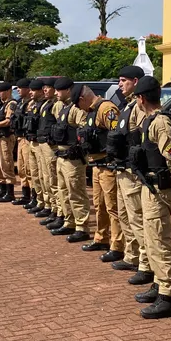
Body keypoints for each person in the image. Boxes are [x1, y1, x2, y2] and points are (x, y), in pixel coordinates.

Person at [130, 76, 171, 318]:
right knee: (150, 238)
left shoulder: (161, 123)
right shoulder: (150, 120)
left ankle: (167, 296)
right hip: (150, 186)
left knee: (159, 240)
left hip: (159, 189)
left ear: (141, 98)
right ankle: (158, 283)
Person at [108, 66, 151, 283]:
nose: (119, 85)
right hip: (121, 169)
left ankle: (147, 264)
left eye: (123, 80)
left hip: (133, 173)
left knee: (137, 219)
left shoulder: (139, 107)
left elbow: (142, 139)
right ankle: (132, 255)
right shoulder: (127, 106)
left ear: (135, 81)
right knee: (125, 217)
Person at [77, 81, 124, 262]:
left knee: (112, 207)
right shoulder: (91, 111)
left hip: (108, 165)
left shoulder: (106, 109)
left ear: (83, 98)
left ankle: (117, 245)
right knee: (99, 204)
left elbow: (117, 136)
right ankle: (101, 237)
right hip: (97, 165)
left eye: (77, 103)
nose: (77, 107)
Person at [48, 79, 92, 241]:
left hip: (73, 157)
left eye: (59, 91)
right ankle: (69, 221)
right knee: (63, 191)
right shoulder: (64, 108)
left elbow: (84, 129)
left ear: (68, 91)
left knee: (76, 192)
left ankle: (82, 226)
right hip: (61, 155)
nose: (56, 93)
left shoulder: (76, 109)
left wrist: (78, 147)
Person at [35, 79, 61, 226]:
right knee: (45, 177)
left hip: (51, 146)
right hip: (42, 143)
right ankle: (51, 207)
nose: (45, 90)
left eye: (48, 88)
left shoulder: (56, 105)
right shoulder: (46, 103)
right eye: (44, 88)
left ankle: (58, 211)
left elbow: (60, 126)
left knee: (53, 179)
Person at [23, 80, 46, 212]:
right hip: (32, 141)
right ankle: (39, 200)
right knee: (34, 174)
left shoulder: (50, 105)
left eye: (33, 90)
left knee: (46, 177)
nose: (30, 93)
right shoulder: (33, 104)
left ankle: (49, 206)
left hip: (42, 143)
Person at [12, 79, 35, 206]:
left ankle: (34, 197)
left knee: (29, 169)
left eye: (21, 88)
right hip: (20, 138)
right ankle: (25, 195)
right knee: (21, 169)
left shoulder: (31, 104)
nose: (19, 91)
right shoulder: (20, 103)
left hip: (27, 139)